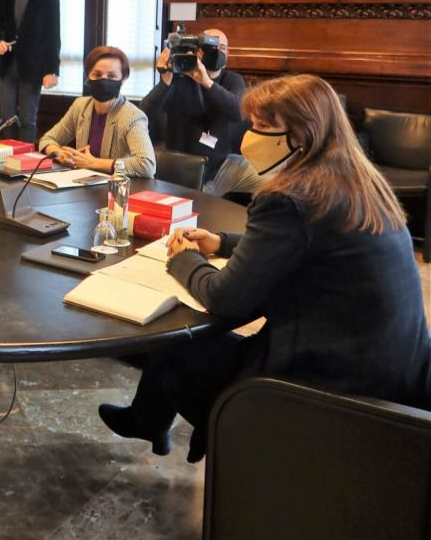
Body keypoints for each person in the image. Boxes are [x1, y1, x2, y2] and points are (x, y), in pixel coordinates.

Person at [99, 74, 431, 463]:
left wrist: (183, 258)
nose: (249, 135)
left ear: (302, 134)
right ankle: (148, 420)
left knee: (175, 346)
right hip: (393, 369)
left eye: (262, 126)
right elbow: (309, 244)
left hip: (325, 378)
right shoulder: (354, 181)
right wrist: (222, 241)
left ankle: (185, 425)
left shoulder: (291, 198)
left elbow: (225, 298)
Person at [140, 29, 257, 195]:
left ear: (227, 54)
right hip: (187, 169)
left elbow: (237, 112)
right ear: (199, 52)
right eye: (211, 47)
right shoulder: (179, 78)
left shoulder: (232, 79)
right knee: (194, 203)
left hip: (222, 165)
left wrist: (206, 82)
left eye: (222, 47)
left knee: (278, 181)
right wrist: (165, 81)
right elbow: (146, 114)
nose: (216, 51)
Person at [38, 46, 156, 177]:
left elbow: (147, 165)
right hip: (81, 183)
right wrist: (61, 155)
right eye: (97, 74)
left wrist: (92, 163)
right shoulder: (80, 106)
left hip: (115, 186)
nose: (103, 80)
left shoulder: (132, 116)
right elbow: (47, 140)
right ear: (87, 77)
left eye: (112, 76)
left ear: (123, 79)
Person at [0, 0, 61, 144]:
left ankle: (26, 158)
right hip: (7, 64)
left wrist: (52, 70)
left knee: (27, 119)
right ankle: (6, 157)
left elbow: (53, 35)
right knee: (6, 119)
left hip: (33, 66)